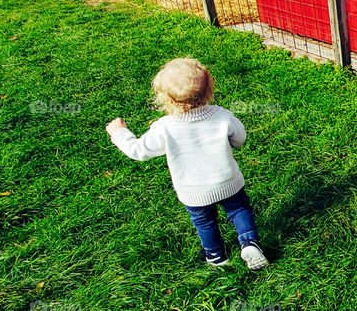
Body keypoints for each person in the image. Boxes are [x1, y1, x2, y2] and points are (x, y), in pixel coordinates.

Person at [105, 57, 269, 270]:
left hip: (193, 191)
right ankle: (249, 242)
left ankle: (216, 255)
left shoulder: (164, 127)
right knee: (239, 210)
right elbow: (240, 139)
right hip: (228, 181)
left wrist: (119, 132)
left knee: (204, 222)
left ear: (166, 98)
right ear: (209, 88)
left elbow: (139, 150)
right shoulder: (222, 116)